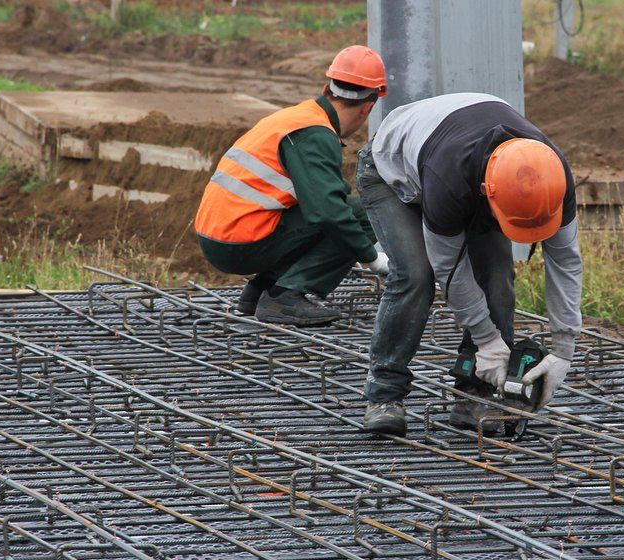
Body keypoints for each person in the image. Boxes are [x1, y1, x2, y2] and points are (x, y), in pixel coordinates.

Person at [357, 92, 582, 436]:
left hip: (459, 159)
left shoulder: (551, 175)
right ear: (489, 194)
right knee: (415, 275)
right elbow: (449, 269)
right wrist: (486, 339)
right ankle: (384, 394)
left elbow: (565, 262)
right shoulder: (450, 181)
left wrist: (564, 350)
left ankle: (474, 394)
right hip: (390, 168)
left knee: (496, 277)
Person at [194, 45, 390, 326]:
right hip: (237, 244)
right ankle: (286, 297)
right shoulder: (314, 134)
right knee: (361, 214)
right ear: (367, 107)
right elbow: (328, 211)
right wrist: (373, 259)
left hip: (220, 235)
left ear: (327, 88)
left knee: (335, 208)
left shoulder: (297, 117)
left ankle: (262, 290)